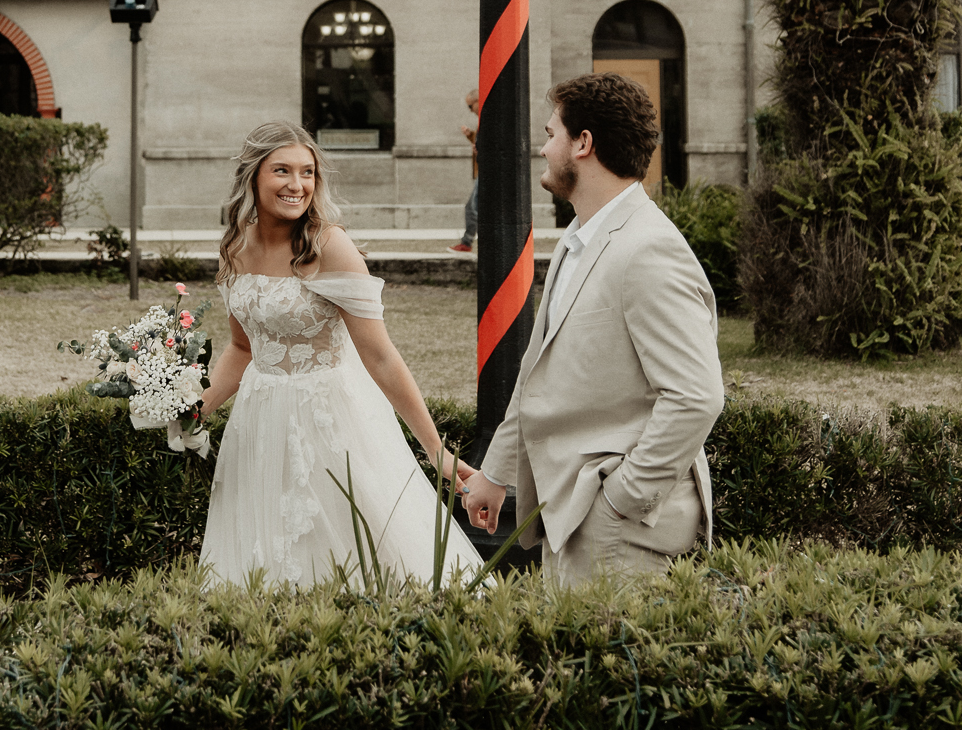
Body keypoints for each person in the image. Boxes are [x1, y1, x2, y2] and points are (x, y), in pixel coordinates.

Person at [462, 74, 724, 586]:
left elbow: (696, 396)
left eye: (551, 133)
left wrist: (622, 498)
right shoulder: (579, 237)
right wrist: (496, 474)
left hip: (620, 527)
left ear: (583, 144)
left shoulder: (648, 250)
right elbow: (538, 371)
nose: (542, 148)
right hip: (572, 515)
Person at [198, 121, 482, 585]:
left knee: (353, 552)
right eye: (282, 171)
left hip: (329, 420)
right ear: (253, 176)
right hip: (259, 423)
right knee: (261, 552)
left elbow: (381, 358)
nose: (297, 185)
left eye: (307, 172)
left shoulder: (329, 245)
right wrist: (194, 409)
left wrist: (437, 452)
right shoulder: (235, 246)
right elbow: (242, 347)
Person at [451, 88, 479, 253]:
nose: (470, 110)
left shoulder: (487, 116)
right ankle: (467, 242)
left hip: (486, 170)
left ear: (477, 101)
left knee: (472, 207)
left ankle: (467, 242)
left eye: (470, 106)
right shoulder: (483, 118)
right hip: (483, 169)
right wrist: (471, 136)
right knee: (473, 206)